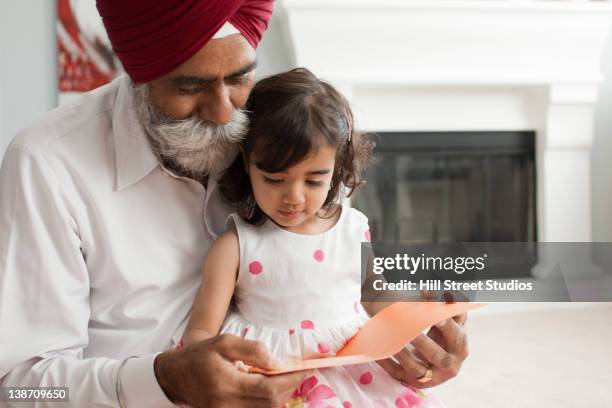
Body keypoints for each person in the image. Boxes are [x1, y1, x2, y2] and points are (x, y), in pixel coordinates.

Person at [0, 1, 468, 407]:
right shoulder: (49, 164)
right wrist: (162, 379)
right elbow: (15, 387)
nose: (224, 112)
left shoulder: (283, 130)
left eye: (240, 77)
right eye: (188, 86)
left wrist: (413, 327)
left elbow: (339, 274)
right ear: (135, 69)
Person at [181, 68, 447, 407]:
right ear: (248, 163)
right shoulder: (236, 244)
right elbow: (201, 331)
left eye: (314, 180)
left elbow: (375, 295)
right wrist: (206, 369)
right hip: (270, 370)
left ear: (336, 168)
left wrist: (420, 310)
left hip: (351, 363)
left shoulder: (352, 228)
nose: (293, 196)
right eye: (275, 180)